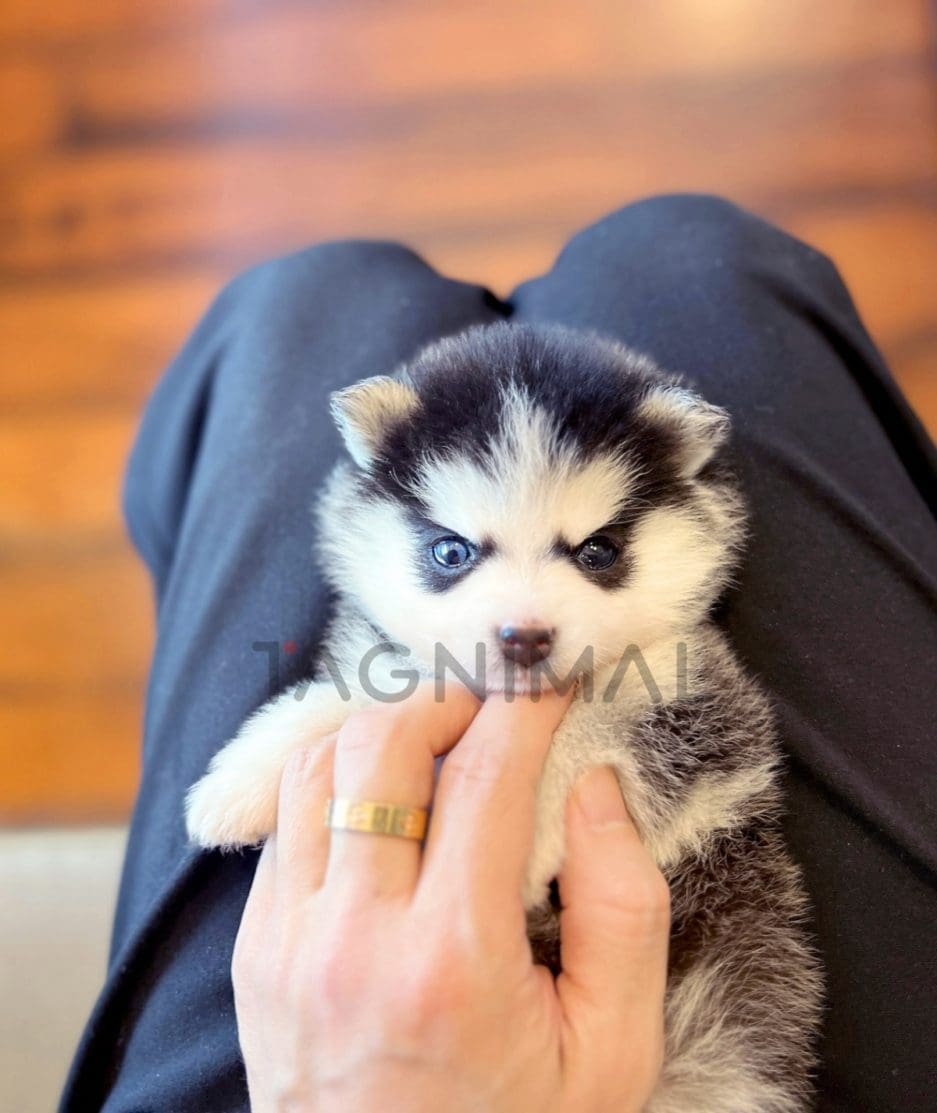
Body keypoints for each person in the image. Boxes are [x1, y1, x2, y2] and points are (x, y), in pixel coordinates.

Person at [61, 196, 937, 1112]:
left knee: (306, 299)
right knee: (693, 254)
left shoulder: (663, 663)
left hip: (685, 1031)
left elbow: (702, 773)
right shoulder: (400, 631)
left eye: (593, 551)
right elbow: (359, 701)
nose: (523, 615)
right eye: (453, 552)